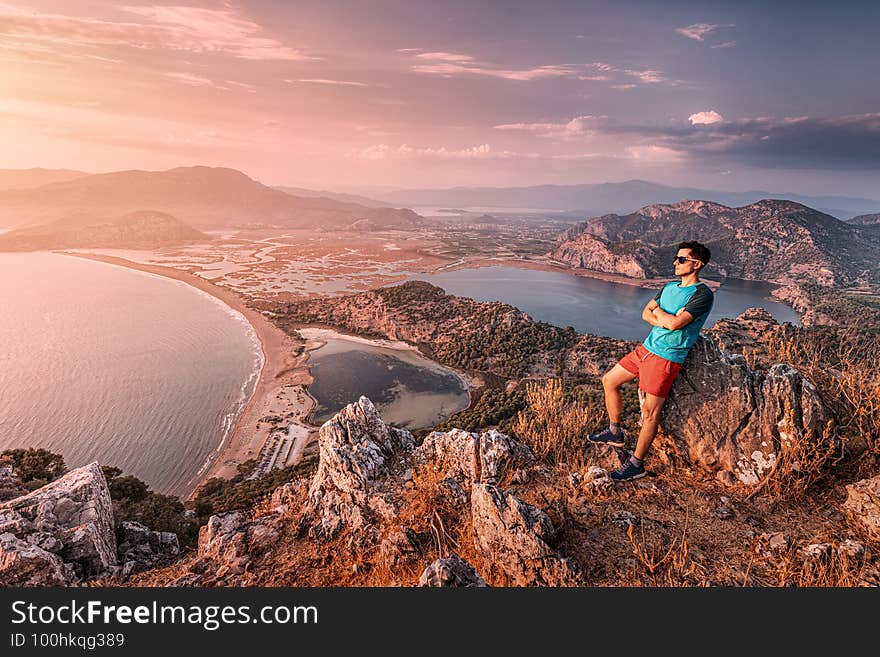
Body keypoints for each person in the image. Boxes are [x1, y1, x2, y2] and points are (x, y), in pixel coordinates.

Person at [587, 241, 715, 481]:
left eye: (681, 259)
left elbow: (676, 324)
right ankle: (615, 431)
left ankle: (636, 465)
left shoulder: (702, 294)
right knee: (609, 380)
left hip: (666, 357)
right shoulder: (669, 287)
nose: (675, 263)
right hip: (646, 349)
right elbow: (646, 313)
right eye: (676, 258)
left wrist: (661, 316)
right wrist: (662, 317)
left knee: (649, 413)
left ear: (697, 265)